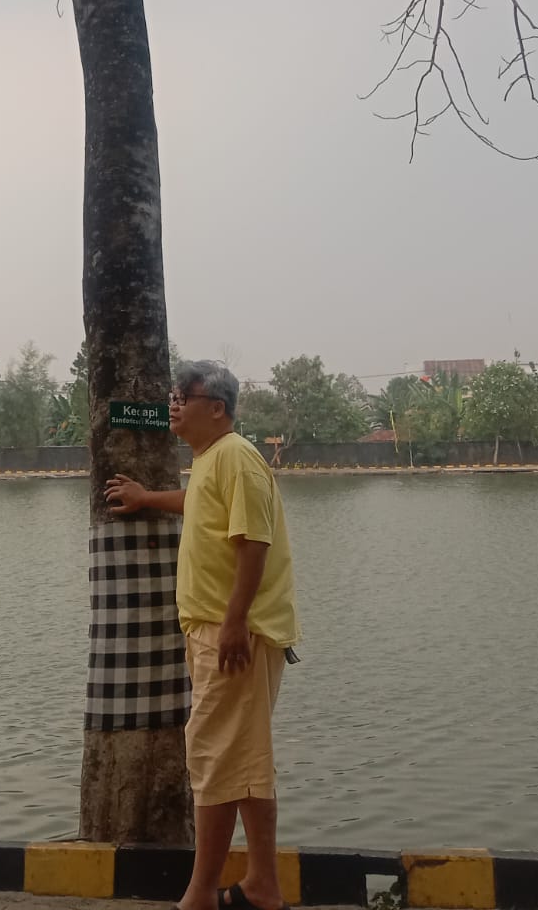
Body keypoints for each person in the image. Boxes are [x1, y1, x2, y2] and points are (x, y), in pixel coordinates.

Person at [106, 361, 299, 910]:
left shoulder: (236, 456)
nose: (173, 405)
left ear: (216, 408)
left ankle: (199, 895)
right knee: (244, 761)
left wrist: (235, 621)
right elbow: (200, 504)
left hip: (233, 633)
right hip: (221, 629)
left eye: (182, 397)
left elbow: (253, 541)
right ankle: (262, 885)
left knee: (212, 757)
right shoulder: (214, 459)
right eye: (172, 396)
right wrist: (148, 497)